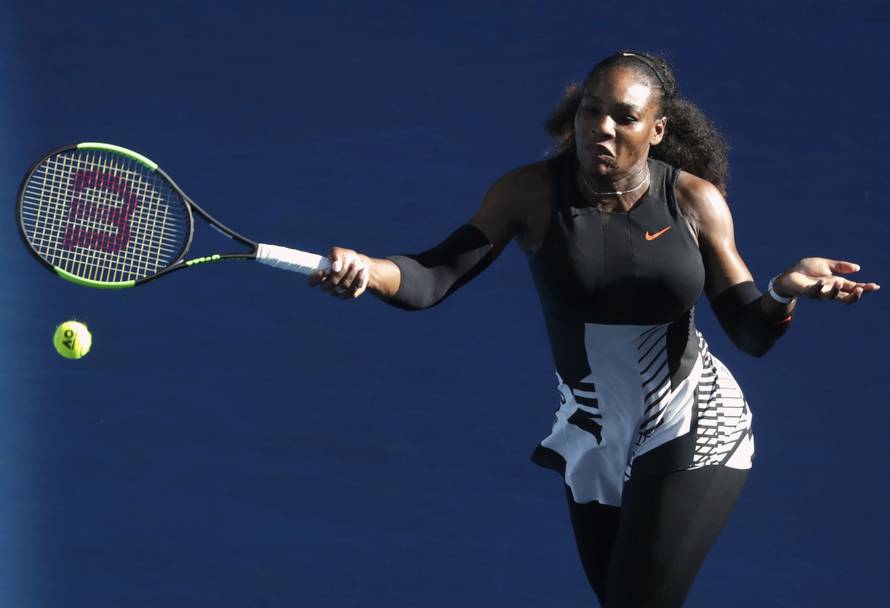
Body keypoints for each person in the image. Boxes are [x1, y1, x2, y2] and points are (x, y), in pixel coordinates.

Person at [307, 51, 879, 607]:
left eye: (624, 117)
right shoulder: (529, 192)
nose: (600, 127)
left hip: (692, 418)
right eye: (590, 110)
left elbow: (749, 332)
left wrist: (783, 291)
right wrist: (369, 271)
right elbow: (433, 276)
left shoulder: (693, 201)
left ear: (656, 130)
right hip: (593, 430)